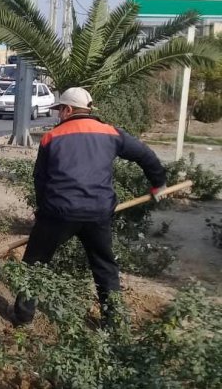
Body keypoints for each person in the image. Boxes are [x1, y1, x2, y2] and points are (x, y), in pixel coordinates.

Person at [12, 87, 167, 325]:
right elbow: (145, 155)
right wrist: (159, 184)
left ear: (69, 109)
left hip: (59, 213)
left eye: (59, 110)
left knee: (34, 263)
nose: (58, 116)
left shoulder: (51, 137)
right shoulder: (112, 133)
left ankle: (23, 319)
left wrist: (43, 211)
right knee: (105, 267)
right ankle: (113, 324)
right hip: (98, 213)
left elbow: (40, 179)